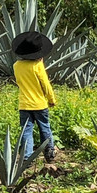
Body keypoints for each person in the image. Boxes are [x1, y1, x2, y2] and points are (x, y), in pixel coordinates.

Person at [12, 30, 57, 162]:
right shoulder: (37, 66)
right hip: (39, 104)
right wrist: (52, 99)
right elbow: (45, 84)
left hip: (24, 104)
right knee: (44, 128)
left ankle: (26, 158)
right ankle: (49, 154)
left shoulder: (16, 66)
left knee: (26, 131)